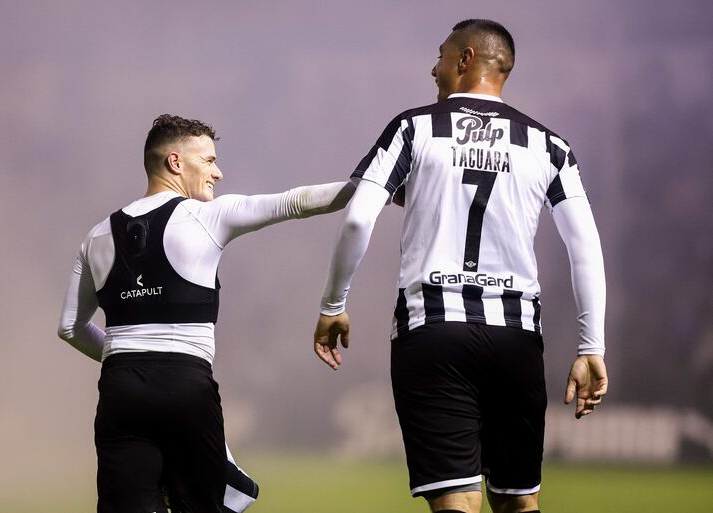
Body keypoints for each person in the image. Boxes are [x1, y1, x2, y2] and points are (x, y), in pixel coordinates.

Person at [313, 19, 608, 513]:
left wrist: (333, 304)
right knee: (519, 503)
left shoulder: (414, 127)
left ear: (466, 59)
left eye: (442, 56)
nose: (434, 68)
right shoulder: (549, 146)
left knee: (457, 501)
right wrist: (591, 345)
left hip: (433, 331)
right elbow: (586, 246)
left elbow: (358, 221)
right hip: (515, 337)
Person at [58, 114, 355, 513]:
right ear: (176, 163)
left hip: (120, 389)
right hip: (186, 386)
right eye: (209, 160)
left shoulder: (96, 236)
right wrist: (375, 189)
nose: (218, 171)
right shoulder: (207, 216)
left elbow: (69, 327)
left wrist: (127, 358)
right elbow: (296, 201)